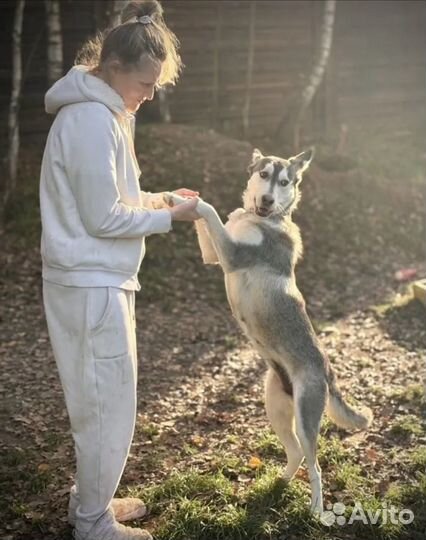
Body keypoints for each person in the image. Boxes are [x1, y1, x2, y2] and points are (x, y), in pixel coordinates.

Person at [39, 1, 199, 538]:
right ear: (112, 68)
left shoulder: (103, 113)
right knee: (107, 406)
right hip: (90, 284)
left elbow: (113, 199)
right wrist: (167, 221)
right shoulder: (89, 119)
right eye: (145, 81)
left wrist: (157, 200)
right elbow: (103, 217)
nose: (150, 94)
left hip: (96, 278)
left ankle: (91, 502)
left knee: (100, 400)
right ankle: (93, 523)